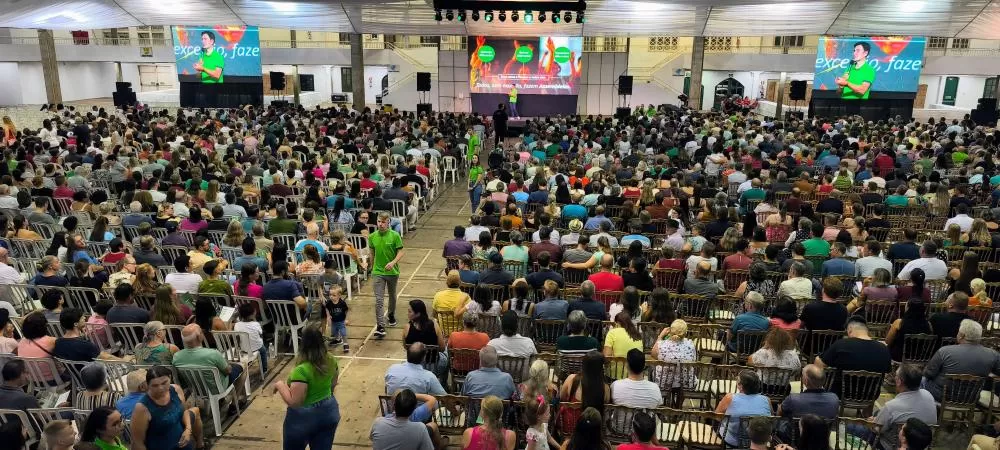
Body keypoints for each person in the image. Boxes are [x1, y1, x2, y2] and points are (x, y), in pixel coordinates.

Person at [273, 325, 341, 450]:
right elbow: (333, 384)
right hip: (329, 411)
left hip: (304, 418)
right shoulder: (331, 360)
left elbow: (295, 402)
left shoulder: (301, 370)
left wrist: (280, 385)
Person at [923, 319, 1000, 400]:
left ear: (961, 336)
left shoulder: (944, 351)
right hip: (971, 398)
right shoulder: (993, 354)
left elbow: (928, 374)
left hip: (941, 395)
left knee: (921, 380)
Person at [815, 316, 891, 396]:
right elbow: (885, 372)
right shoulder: (883, 349)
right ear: (866, 330)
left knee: (818, 360)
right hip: (871, 395)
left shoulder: (841, 344)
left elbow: (821, 363)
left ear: (850, 329)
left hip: (841, 393)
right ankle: (868, 408)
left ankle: (818, 395)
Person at [871, 364, 938, 450]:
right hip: (921, 445)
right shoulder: (928, 394)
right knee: (878, 413)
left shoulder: (891, 406)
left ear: (899, 381)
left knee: (854, 428)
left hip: (892, 445)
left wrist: (873, 423)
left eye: (895, 375)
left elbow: (877, 430)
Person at [131, 365, 198, 450]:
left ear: (170, 378)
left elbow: (184, 411)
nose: (161, 388)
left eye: (164, 383)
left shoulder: (176, 389)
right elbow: (138, 442)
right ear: (148, 385)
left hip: (182, 443)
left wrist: (188, 429)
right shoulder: (142, 408)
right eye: (155, 385)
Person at [172, 324, 245, 399]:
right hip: (216, 389)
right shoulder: (213, 353)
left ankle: (221, 402)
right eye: (201, 332)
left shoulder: (176, 357)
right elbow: (228, 371)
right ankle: (235, 404)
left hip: (194, 389)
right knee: (242, 368)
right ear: (199, 337)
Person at [716, 369, 772, 447]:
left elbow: (717, 417)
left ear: (741, 386)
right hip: (759, 441)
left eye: (738, 381)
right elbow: (770, 419)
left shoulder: (729, 398)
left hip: (733, 441)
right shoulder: (766, 400)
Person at [372, 212, 405, 338]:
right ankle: (380, 326)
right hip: (377, 272)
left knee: (392, 295)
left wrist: (393, 262)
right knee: (379, 299)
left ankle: (391, 314)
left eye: (383, 222)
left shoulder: (395, 236)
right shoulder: (372, 236)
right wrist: (370, 266)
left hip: (392, 272)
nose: (380, 224)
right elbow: (372, 252)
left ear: (388, 223)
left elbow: (401, 252)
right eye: (379, 221)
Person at [370, 388, 435, 450]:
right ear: (414, 408)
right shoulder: (420, 428)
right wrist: (409, 396)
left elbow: (372, 438)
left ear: (393, 405)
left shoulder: (378, 423)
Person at [53, 308, 120, 362]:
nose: (85, 318)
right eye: (82, 318)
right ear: (75, 324)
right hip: (94, 374)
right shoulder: (85, 344)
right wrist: (124, 360)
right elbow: (106, 358)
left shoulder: (57, 342)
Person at [603, 312, 643, 378]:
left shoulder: (612, 333)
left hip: (614, 375)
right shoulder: (637, 334)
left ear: (617, 323)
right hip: (633, 375)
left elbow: (607, 357)